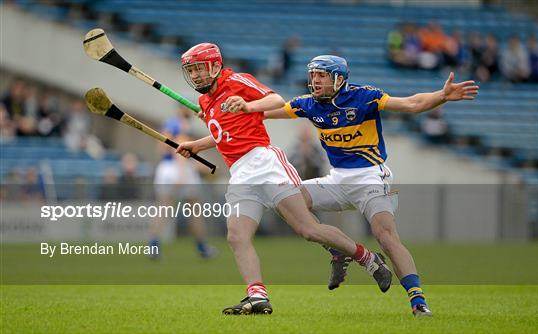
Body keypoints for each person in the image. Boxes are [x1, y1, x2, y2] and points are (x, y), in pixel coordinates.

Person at [232, 55, 478, 317]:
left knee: (385, 236)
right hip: (337, 179)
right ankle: (338, 250)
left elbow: (411, 103)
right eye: (313, 75)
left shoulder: (365, 97)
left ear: (339, 78)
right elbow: (263, 113)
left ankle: (418, 301)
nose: (315, 80)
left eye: (321, 75)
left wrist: (441, 95)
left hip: (371, 177)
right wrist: (236, 110)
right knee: (287, 201)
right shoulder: (309, 104)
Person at [176, 44, 392, 315]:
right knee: (236, 236)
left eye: (199, 69)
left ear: (215, 66)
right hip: (240, 173)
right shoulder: (205, 102)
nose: (195, 76)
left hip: (266, 164)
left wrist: (248, 105)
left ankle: (368, 258)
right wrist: (198, 144)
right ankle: (257, 294)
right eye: (191, 71)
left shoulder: (236, 81)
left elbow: (276, 100)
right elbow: (225, 133)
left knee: (308, 230)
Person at [150, 106, 217, 259]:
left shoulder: (168, 123)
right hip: (179, 170)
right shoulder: (182, 125)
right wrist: (181, 173)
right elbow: (180, 149)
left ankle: (153, 246)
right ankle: (202, 248)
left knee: (163, 208)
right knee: (194, 210)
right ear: (181, 109)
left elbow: (162, 149)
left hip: (165, 169)